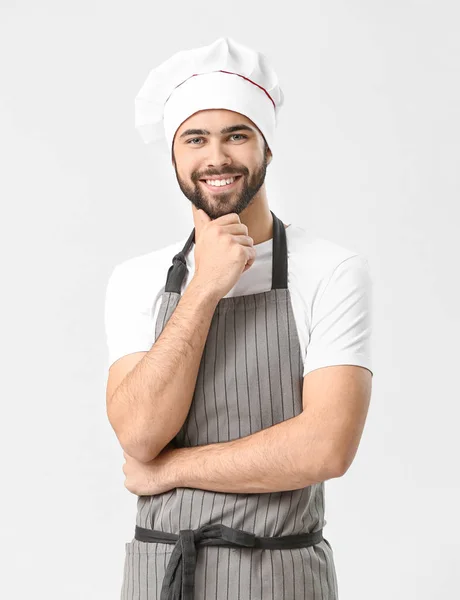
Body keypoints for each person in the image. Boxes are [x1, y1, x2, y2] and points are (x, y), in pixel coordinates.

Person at [104, 37, 373, 600]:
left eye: (237, 134)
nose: (216, 157)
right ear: (175, 155)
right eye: (195, 138)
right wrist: (204, 287)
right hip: (161, 577)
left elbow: (325, 447)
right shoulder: (137, 280)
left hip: (281, 578)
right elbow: (140, 432)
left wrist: (170, 471)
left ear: (267, 149)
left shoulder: (331, 270)